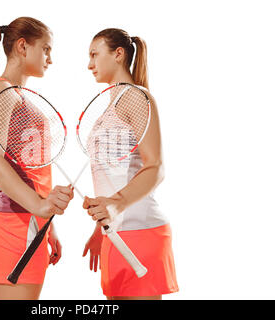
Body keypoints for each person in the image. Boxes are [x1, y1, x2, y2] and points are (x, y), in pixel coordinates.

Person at [0, 17, 73, 300]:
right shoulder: (1, 91)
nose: (50, 59)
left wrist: (48, 225)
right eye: (46, 49)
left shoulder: (16, 94)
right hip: (13, 227)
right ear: (22, 46)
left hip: (29, 225)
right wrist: (40, 207)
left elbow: (31, 172)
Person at [82, 28, 179, 300]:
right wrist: (99, 228)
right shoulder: (110, 105)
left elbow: (155, 167)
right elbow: (110, 176)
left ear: (118, 54)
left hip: (140, 230)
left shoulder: (136, 97)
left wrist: (115, 205)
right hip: (115, 233)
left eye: (94, 55)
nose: (89, 64)